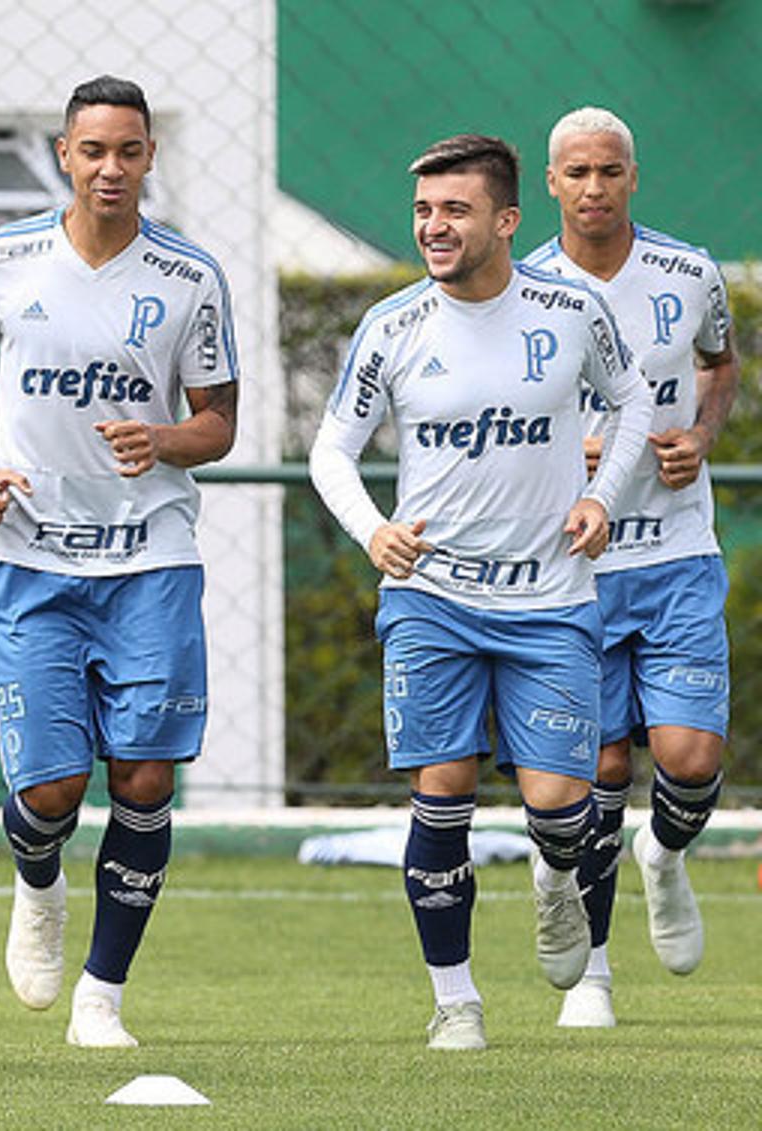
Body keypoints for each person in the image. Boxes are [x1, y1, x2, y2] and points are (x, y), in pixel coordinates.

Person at [309, 134, 655, 1051]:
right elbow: (330, 450)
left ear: (506, 219)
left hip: (551, 599)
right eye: (424, 211)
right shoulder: (392, 325)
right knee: (443, 786)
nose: (434, 226)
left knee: (561, 805)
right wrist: (373, 529)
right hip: (434, 598)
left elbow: (633, 404)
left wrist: (599, 495)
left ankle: (555, 873)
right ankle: (455, 999)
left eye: (455, 210)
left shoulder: (571, 309)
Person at [0, 76, 238, 1049]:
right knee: (55, 793)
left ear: (150, 158)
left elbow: (218, 422)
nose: (111, 168)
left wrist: (167, 440)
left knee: (144, 779)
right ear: (64, 154)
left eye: (130, 151)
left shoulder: (190, 276)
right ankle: (38, 885)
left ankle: (102, 996)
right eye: (93, 150)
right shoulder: (4, 259)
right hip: (26, 560)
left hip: (150, 559)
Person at [523, 106, 738, 1028]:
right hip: (578, 563)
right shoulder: (521, 285)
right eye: (577, 173)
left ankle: (668, 854)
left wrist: (698, 433)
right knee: (600, 761)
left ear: (633, 177)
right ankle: (598, 973)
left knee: (687, 758)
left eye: (610, 171)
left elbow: (720, 365)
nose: (594, 188)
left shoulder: (690, 273)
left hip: (679, 550)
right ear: (551, 183)